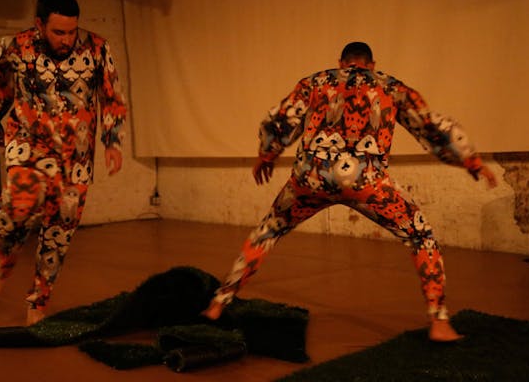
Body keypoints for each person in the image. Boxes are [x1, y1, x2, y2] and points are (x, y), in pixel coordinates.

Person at [202, 42, 497, 341]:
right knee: (420, 236)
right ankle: (440, 322)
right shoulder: (392, 87)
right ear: (371, 64)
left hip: (310, 179)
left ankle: (219, 302)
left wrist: (268, 154)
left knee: (269, 230)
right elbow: (433, 126)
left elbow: (280, 119)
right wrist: (470, 161)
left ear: (341, 63)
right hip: (365, 182)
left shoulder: (314, 82)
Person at [0, 0, 126, 325]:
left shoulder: (98, 49)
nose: (67, 40)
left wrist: (113, 142)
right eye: (58, 32)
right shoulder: (17, 46)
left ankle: (37, 304)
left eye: (72, 32)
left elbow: (112, 95)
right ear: (39, 24)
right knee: (19, 203)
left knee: (59, 233)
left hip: (76, 159)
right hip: (29, 142)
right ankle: (0, 267)